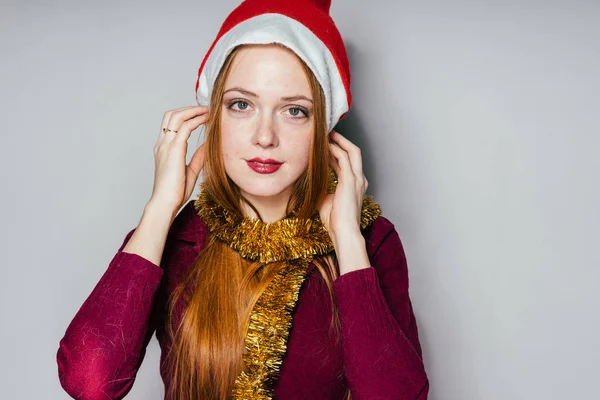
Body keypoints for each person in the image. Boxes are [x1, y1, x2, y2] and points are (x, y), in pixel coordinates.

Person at [56, 0, 430, 399]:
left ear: (323, 128)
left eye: (294, 111)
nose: (264, 137)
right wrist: (160, 209)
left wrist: (349, 243)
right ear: (212, 117)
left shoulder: (372, 241)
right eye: (241, 105)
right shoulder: (171, 239)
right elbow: (89, 382)